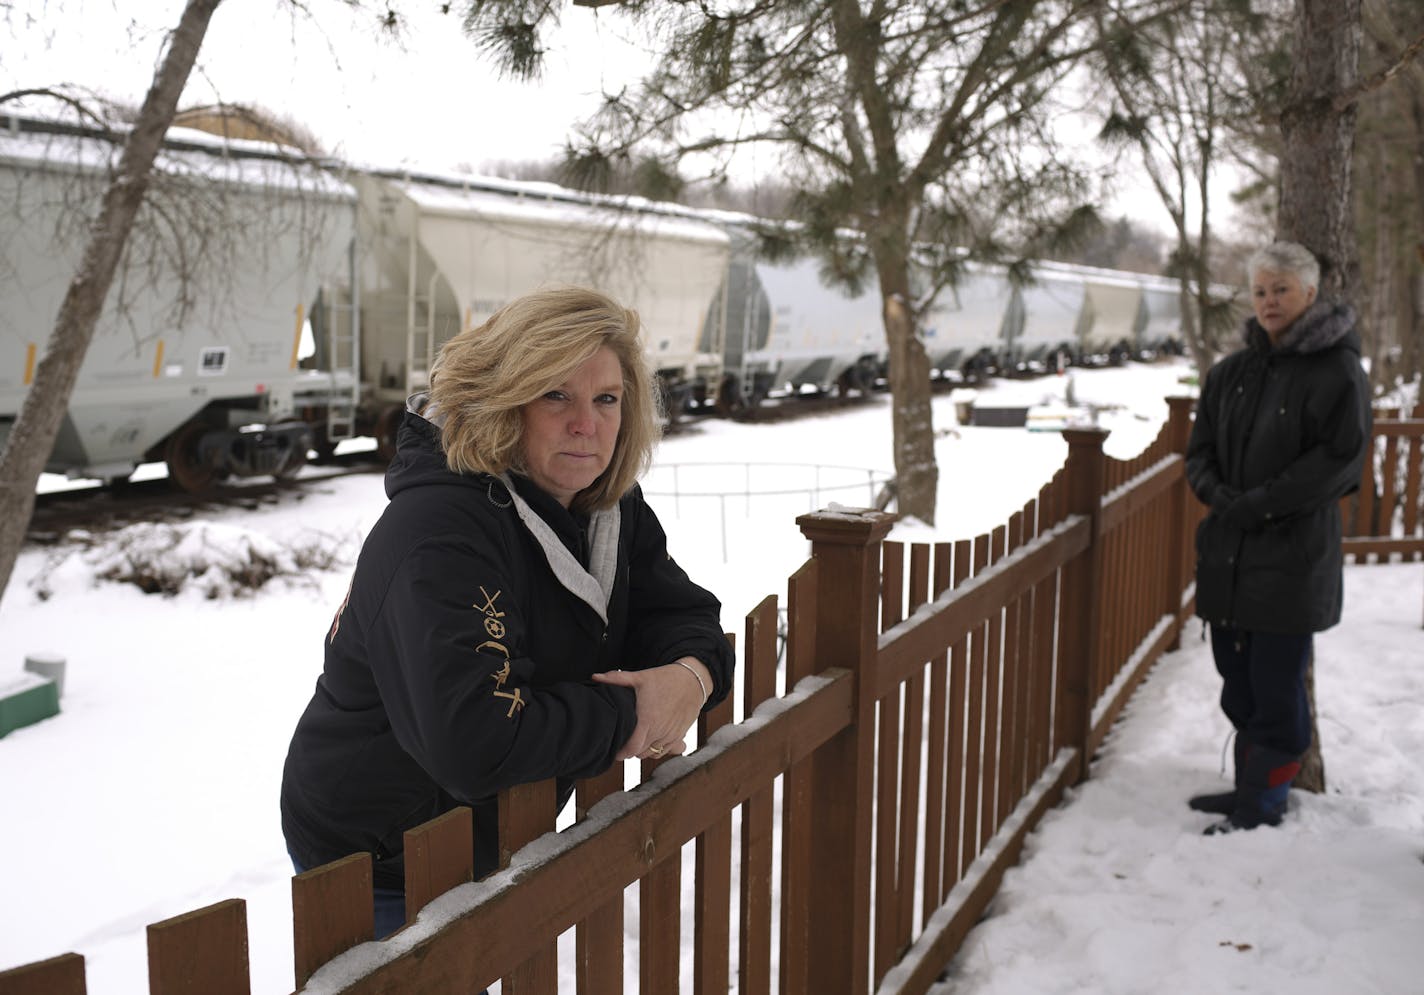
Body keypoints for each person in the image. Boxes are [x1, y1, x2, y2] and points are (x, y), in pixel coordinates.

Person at [281, 286, 734, 938]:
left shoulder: (604, 507)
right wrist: (635, 714)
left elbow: (680, 612)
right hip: (377, 853)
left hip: (492, 828)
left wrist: (689, 677)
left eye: (606, 398)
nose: (588, 422)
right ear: (503, 397)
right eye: (556, 394)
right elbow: (477, 738)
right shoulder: (439, 530)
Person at [1184, 241, 1371, 835]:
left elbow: (1338, 462)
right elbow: (1200, 454)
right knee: (1235, 680)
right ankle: (1249, 784)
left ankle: (1263, 803)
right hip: (1229, 555)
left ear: (1310, 294)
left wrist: (1258, 507)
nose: (1269, 301)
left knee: (1275, 685)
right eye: (1261, 290)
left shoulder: (1337, 372)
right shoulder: (1230, 373)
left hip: (1290, 558)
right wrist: (1223, 499)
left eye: (1282, 289)